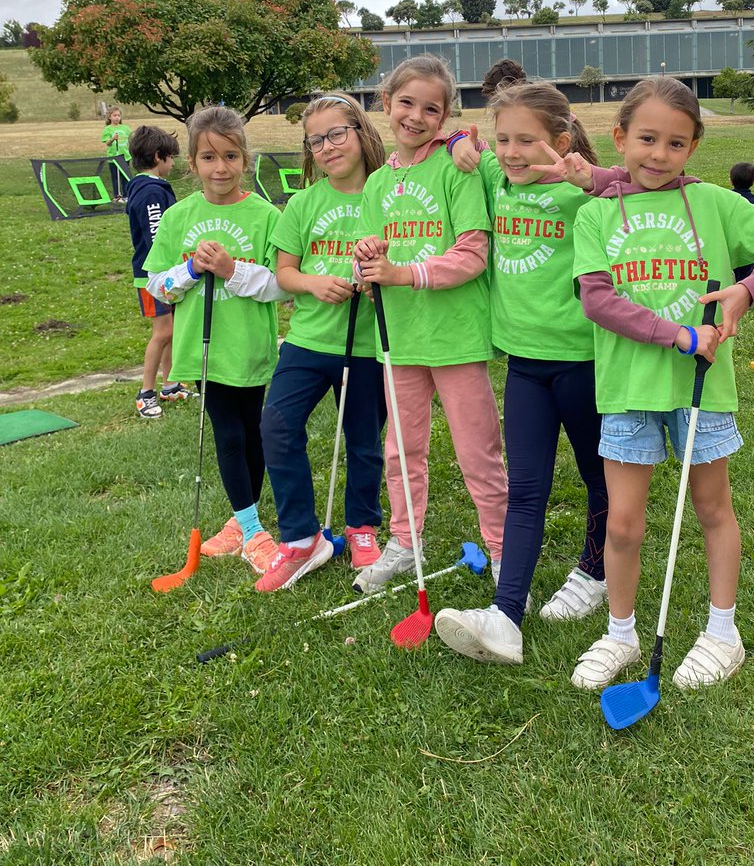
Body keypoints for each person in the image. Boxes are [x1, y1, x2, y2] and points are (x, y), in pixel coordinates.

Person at [569, 76, 754, 693]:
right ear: (620, 138)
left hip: (702, 390)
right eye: (647, 139)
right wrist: (677, 335)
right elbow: (598, 301)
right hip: (627, 388)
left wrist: (746, 288)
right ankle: (621, 633)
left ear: (694, 147)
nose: (658, 154)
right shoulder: (596, 212)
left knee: (711, 508)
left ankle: (722, 632)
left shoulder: (713, 204)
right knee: (622, 524)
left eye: (676, 143)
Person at [433, 82, 619, 666]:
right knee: (527, 490)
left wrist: (584, 175)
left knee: (600, 478)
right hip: (524, 365)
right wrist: (463, 140)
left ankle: (596, 571)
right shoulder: (494, 178)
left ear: (561, 143)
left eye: (528, 141)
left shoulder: (583, 196)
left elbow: (639, 183)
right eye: (504, 139)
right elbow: (449, 139)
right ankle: (505, 615)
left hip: (584, 363)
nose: (513, 153)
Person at [353, 54, 508, 592]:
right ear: (385, 103)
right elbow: (371, 257)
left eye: (431, 109)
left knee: (477, 453)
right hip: (399, 339)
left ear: (445, 117)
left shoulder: (455, 166)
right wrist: (368, 257)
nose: (416, 117)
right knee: (400, 449)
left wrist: (401, 273)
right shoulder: (376, 183)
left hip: (456, 337)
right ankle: (403, 541)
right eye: (406, 103)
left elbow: (472, 254)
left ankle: (505, 555)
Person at [143, 106, 288, 576]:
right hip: (204, 349)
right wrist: (190, 269)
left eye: (229, 156)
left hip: (250, 345)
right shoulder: (180, 215)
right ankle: (252, 531)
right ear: (192, 162)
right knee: (227, 432)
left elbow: (280, 284)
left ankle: (238, 521)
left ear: (245, 159)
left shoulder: (266, 215)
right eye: (208, 158)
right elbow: (156, 285)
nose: (219, 168)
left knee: (253, 435)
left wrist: (231, 270)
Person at [256, 94, 388, 592]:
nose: (329, 146)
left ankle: (361, 526)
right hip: (309, 341)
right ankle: (301, 537)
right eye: (317, 140)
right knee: (277, 424)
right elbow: (284, 272)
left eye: (338, 133)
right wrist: (314, 283)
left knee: (362, 440)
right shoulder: (305, 202)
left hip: (367, 341)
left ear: (361, 133)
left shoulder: (387, 193)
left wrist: (381, 280)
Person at [125, 124, 190, 418]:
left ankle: (171, 385)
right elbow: (156, 238)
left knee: (171, 330)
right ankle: (145, 393)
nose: (173, 163)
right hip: (155, 277)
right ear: (157, 156)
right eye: (170, 157)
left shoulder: (150, 188)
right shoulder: (151, 192)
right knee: (162, 331)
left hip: (165, 274)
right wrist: (167, 274)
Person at [101, 106, 132, 201]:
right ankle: (117, 196)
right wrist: (112, 139)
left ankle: (126, 196)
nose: (117, 117)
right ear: (109, 117)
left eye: (118, 115)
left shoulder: (126, 128)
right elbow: (107, 143)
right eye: (114, 115)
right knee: (115, 177)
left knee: (125, 177)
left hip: (125, 156)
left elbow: (131, 139)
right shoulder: (107, 129)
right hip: (113, 157)